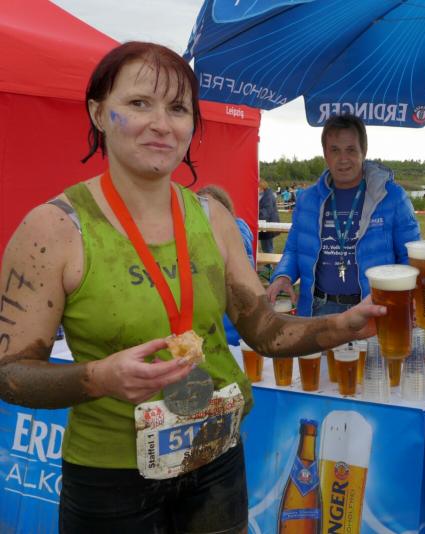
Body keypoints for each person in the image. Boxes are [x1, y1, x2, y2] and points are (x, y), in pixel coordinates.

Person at [0, 42, 383, 533]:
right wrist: (97, 378)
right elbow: (10, 373)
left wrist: (343, 325)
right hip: (112, 478)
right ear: (98, 112)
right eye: (139, 103)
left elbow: (265, 330)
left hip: (216, 457)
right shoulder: (54, 229)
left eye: (178, 108)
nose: (161, 123)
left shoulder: (212, 217)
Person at [266, 114, 420, 316]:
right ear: (325, 154)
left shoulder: (392, 197)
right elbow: (294, 250)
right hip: (318, 310)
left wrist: (409, 296)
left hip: (374, 307)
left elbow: (410, 256)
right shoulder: (308, 199)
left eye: (350, 150)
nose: (343, 159)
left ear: (364, 151)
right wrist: (283, 276)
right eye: (335, 150)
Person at [197, 185, 254, 347]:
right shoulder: (198, 233)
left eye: (210, 207)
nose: (206, 212)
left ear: (224, 210)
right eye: (201, 207)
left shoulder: (236, 230)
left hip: (233, 324)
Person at [258, 177, 280, 253]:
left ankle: (269, 261)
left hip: (268, 225)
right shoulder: (262, 195)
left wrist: (255, 215)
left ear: (261, 186)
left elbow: (266, 212)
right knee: (265, 247)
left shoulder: (268, 196)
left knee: (267, 248)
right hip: (264, 224)